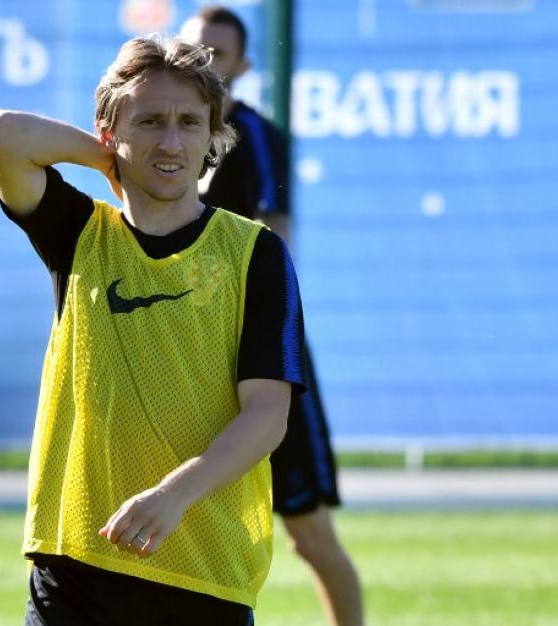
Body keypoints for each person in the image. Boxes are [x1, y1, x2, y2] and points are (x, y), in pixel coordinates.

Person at [0, 34, 307, 625]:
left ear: (213, 136)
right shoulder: (78, 233)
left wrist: (173, 495)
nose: (172, 142)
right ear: (111, 129)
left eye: (190, 123)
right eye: (150, 121)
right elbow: (6, 136)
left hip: (204, 574)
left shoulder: (254, 253)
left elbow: (267, 416)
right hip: (75, 567)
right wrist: (109, 159)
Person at [182, 8, 365, 626]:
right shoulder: (163, 137)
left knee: (309, 534)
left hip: (259, 358)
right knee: (173, 523)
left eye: (218, 55)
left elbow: (274, 238)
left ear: (243, 67)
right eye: (194, 50)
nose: (204, 64)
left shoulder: (255, 137)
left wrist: (241, 315)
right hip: (188, 355)